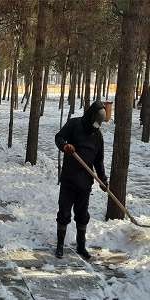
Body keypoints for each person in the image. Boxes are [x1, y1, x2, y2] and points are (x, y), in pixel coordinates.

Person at [54, 101, 108, 260]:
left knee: (82, 214)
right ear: (90, 115)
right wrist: (65, 146)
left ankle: (81, 246)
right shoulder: (74, 124)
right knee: (64, 212)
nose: (95, 127)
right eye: (95, 122)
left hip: (85, 183)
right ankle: (60, 245)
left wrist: (103, 179)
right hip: (69, 180)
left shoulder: (98, 136)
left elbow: (99, 161)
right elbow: (59, 137)